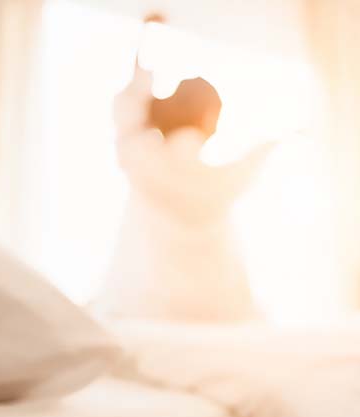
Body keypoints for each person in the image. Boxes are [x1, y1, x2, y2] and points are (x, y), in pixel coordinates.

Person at [96, 17, 273, 322]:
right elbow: (258, 157)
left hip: (145, 317)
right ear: (209, 116)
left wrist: (145, 38)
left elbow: (129, 106)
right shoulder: (224, 180)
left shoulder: (142, 161)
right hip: (222, 321)